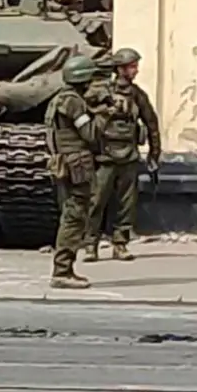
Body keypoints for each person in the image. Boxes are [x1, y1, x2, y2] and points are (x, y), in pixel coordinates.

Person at [83, 48, 161, 262]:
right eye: (131, 66)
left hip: (128, 155)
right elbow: (85, 111)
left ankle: (120, 243)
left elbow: (151, 123)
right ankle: (91, 244)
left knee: (126, 203)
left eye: (136, 66)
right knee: (96, 202)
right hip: (104, 156)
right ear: (120, 68)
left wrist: (154, 154)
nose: (135, 71)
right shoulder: (100, 90)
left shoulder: (137, 94)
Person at [46, 55, 103, 289]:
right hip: (76, 164)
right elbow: (89, 134)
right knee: (74, 216)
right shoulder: (74, 103)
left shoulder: (57, 99)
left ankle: (63, 268)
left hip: (65, 162)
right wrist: (101, 115)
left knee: (71, 214)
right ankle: (62, 271)